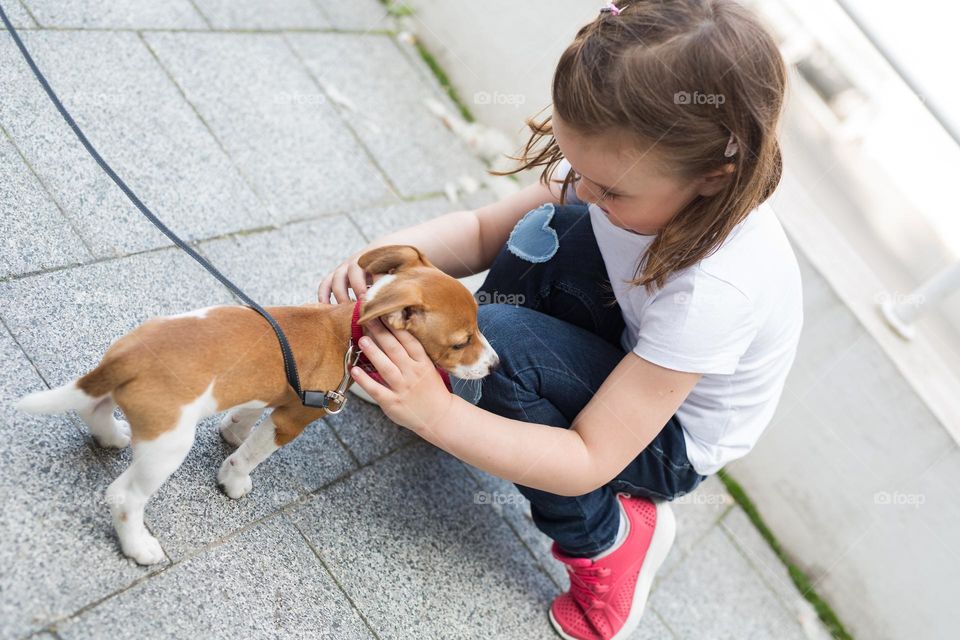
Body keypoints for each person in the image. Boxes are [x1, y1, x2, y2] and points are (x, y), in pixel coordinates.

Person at [318, 1, 801, 638]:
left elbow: (589, 455)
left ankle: (610, 539)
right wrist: (384, 260)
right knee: (548, 226)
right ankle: (461, 387)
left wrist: (440, 419)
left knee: (506, 346)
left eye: (612, 189)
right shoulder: (628, 174)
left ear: (715, 177)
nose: (588, 189)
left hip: (666, 442)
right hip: (631, 346)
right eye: (579, 169)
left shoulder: (718, 290)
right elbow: (483, 228)